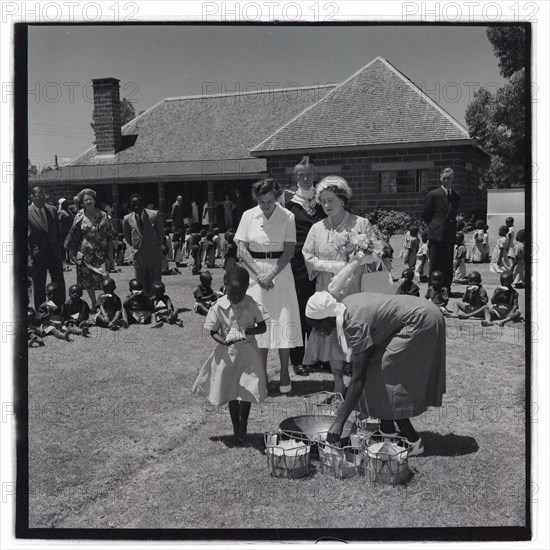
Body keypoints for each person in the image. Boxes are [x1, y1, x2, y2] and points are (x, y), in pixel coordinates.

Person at [306, 291, 446, 455]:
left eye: (317, 325)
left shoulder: (355, 323)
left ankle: (413, 441)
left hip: (421, 320)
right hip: (416, 313)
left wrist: (339, 422)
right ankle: (387, 430)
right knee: (376, 369)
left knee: (387, 376)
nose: (316, 331)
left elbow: (358, 380)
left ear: (328, 317)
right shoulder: (345, 305)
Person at [302, 175, 375, 396]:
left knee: (354, 334)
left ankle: (358, 385)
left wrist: (358, 259)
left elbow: (375, 254)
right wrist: (331, 266)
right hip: (327, 291)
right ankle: (337, 385)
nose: (326, 205)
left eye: (331, 200)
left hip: (356, 288)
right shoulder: (317, 228)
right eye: (322, 201)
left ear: (343, 200)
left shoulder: (361, 223)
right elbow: (307, 255)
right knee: (331, 332)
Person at [235, 178, 303, 393]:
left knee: (284, 320)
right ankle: (260, 373)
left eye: (270, 201)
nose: (265, 205)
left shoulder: (288, 216)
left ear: (277, 197)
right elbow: (242, 249)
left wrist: (272, 274)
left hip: (281, 273)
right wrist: (259, 275)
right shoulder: (248, 215)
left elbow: (290, 249)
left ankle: (284, 372)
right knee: (259, 322)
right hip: (255, 273)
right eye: (261, 201)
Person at [192, 267, 269, 444]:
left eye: (240, 292)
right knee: (232, 391)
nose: (236, 297)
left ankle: (244, 426)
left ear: (246, 290)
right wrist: (223, 340)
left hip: (248, 352)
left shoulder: (252, 304)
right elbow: (212, 331)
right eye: (232, 292)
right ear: (225, 286)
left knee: (247, 389)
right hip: (227, 354)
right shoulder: (218, 306)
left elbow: (262, 327)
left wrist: (246, 330)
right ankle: (236, 429)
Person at [285, 156, 326, 377]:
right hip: (298, 264)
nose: (305, 177)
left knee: (319, 311)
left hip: (321, 264)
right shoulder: (289, 203)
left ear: (314, 175)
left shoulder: (322, 201)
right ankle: (298, 359)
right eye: (301, 174)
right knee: (300, 312)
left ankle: (318, 357)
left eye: (309, 174)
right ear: (296, 176)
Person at [64, 188, 115, 311]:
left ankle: (105, 303)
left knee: (105, 278)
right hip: (85, 254)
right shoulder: (79, 216)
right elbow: (73, 235)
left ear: (94, 200)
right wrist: (72, 252)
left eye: (90, 199)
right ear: (82, 202)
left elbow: (110, 236)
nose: (88, 201)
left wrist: (111, 254)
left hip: (101, 253)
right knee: (88, 281)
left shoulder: (104, 216)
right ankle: (93, 304)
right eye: (85, 200)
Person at [422, 167, 461, 292]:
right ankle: (432, 290)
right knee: (435, 263)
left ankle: (446, 288)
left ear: (453, 179)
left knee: (447, 263)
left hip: (449, 235)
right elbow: (426, 215)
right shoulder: (433, 194)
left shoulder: (456, 196)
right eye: (444, 178)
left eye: (449, 178)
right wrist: (435, 226)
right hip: (436, 235)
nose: (446, 180)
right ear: (440, 178)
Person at [28, 186, 66, 310]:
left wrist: (62, 254)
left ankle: (60, 309)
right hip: (38, 254)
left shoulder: (52, 210)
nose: (41, 200)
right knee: (39, 284)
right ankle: (41, 311)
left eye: (43, 198)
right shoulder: (26, 212)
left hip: (54, 253)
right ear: (32, 197)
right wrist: (29, 257)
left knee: (59, 281)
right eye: (38, 198)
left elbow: (58, 234)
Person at [122, 193, 164, 295]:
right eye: (133, 204)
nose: (136, 207)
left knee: (155, 283)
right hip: (139, 257)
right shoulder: (127, 219)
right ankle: (145, 305)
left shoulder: (154, 215)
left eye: (138, 204)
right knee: (141, 284)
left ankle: (156, 304)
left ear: (143, 204)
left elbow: (161, 234)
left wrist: (152, 245)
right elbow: (128, 237)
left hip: (153, 254)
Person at [58, 198, 74, 270]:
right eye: (65, 203)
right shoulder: (60, 212)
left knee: (68, 246)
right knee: (63, 247)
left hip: (69, 231)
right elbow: (58, 222)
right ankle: (63, 263)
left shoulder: (69, 211)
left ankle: (68, 260)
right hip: (63, 232)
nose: (67, 204)